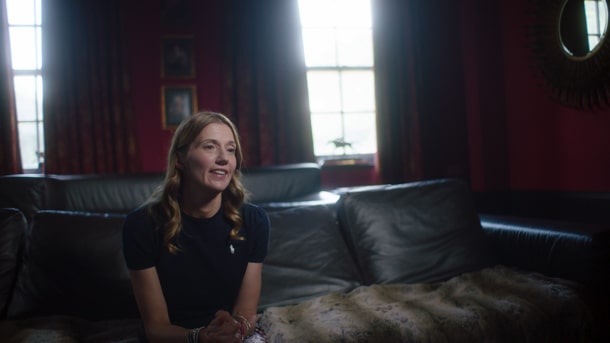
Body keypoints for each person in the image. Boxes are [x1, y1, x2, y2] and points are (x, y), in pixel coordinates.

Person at [122, 111, 270, 343]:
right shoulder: (141, 225)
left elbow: (247, 314)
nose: (223, 158)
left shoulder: (255, 221)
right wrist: (200, 337)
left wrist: (235, 330)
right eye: (210, 147)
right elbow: (156, 328)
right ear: (180, 159)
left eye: (231, 149)